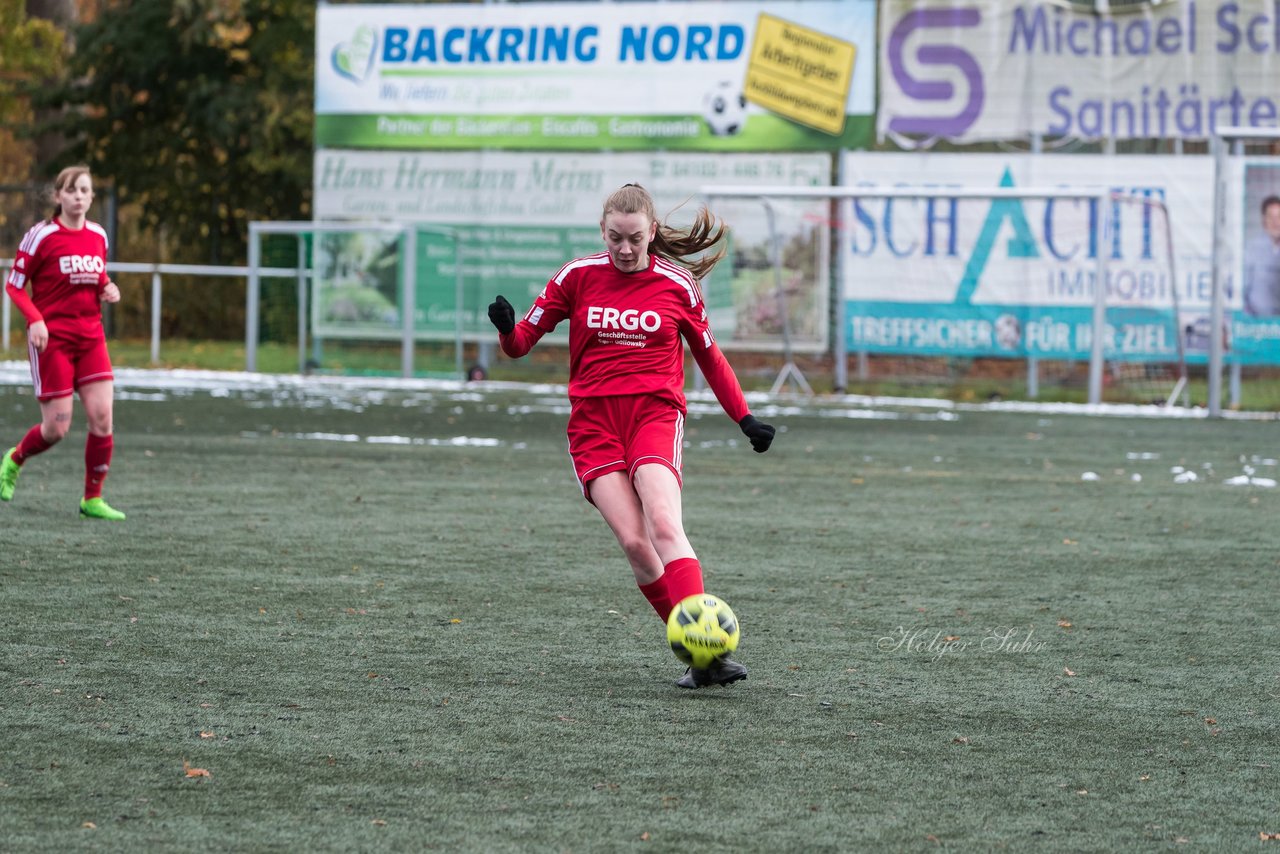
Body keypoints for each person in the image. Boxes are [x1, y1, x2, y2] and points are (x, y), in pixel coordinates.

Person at [487, 183, 776, 689]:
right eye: (616, 238)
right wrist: (507, 331)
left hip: (654, 416)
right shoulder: (577, 277)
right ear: (603, 230)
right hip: (593, 425)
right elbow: (521, 344)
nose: (625, 249)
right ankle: (701, 655)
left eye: (635, 239)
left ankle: (706, 655)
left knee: (664, 524)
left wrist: (744, 417)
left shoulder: (677, 284)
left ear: (652, 233)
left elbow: (709, 356)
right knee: (636, 545)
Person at [1, 165, 126, 520]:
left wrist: (107, 287)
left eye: (85, 191)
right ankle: (14, 460)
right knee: (56, 428)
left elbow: (96, 275)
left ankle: (92, 498)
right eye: (71, 191)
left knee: (102, 417)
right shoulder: (41, 235)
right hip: (51, 340)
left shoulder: (98, 235)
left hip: (90, 337)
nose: (79, 197)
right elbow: (14, 284)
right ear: (58, 196)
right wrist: (35, 319)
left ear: (91, 197)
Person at [1243, 194, 1280, 317]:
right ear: (1264, 220)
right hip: (1258, 325)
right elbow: (1243, 289)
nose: (1276, 222)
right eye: (1271, 217)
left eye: (1279, 217)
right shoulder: (1251, 249)